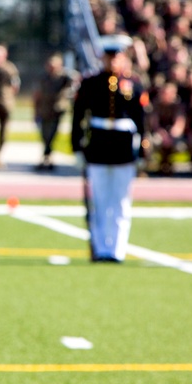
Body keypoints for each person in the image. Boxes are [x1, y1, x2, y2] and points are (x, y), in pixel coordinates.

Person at [71, 34, 148, 263]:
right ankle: (100, 247)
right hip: (98, 147)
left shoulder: (134, 84)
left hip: (123, 148)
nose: (113, 61)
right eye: (109, 56)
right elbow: (78, 117)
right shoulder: (90, 83)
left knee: (121, 201)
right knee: (100, 200)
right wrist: (77, 147)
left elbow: (141, 120)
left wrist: (142, 149)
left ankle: (116, 249)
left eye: (117, 56)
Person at [33, 53, 75, 170]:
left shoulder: (64, 77)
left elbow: (74, 81)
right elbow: (37, 94)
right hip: (44, 110)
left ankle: (47, 156)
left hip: (56, 110)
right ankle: (46, 156)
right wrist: (35, 111)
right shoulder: (43, 77)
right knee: (44, 134)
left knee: (51, 134)